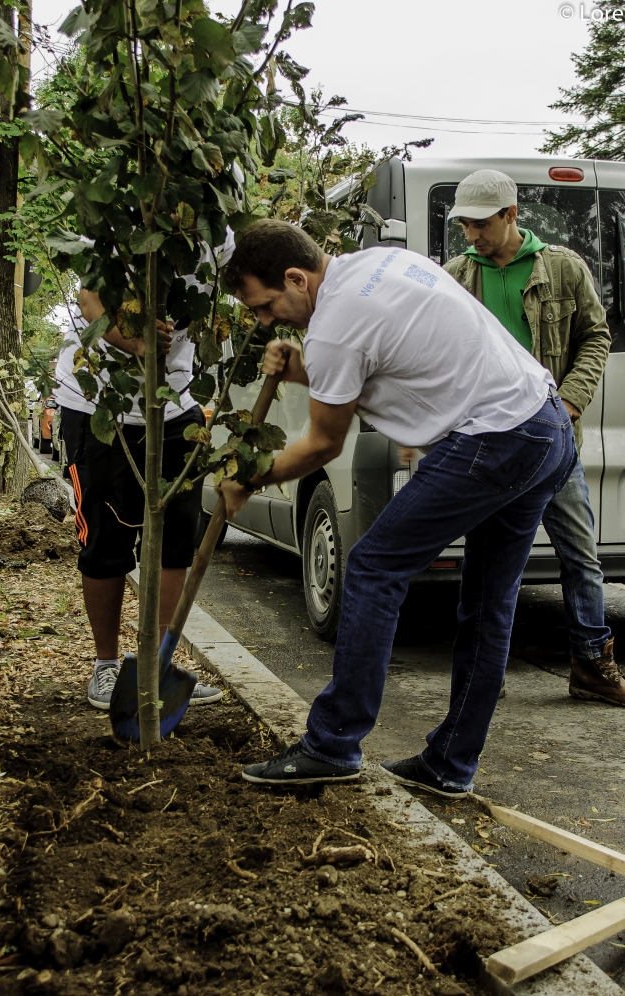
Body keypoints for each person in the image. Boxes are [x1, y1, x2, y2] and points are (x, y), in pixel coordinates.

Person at [218, 219, 576, 796]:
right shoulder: (375, 264)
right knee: (486, 607)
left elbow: (323, 442)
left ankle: (332, 745)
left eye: (264, 305)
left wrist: (246, 480)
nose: (264, 321)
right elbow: (361, 364)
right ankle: (449, 765)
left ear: (295, 277)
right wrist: (300, 368)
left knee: (372, 567)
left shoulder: (333, 327)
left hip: (495, 439)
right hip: (544, 424)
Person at [444, 169, 625, 707]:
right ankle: (482, 672)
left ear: (510, 215)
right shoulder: (456, 276)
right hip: (487, 441)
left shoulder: (563, 267)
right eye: (464, 226)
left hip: (552, 440)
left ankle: (592, 666)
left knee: (580, 554)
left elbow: (596, 336)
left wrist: (569, 401)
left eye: (480, 224)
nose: (471, 235)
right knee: (487, 561)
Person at [54, 288, 223, 711]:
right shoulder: (115, 225)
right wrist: (136, 342)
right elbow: (90, 298)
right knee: (105, 537)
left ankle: (158, 666)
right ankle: (106, 665)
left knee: (179, 537)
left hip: (175, 402)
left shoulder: (215, 233)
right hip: (98, 403)